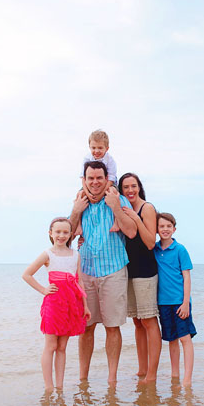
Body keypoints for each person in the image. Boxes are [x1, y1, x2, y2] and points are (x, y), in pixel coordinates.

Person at [69, 160, 138, 384]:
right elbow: (65, 238)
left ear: (106, 178)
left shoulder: (118, 198)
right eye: (91, 178)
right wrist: (75, 212)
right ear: (85, 179)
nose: (95, 182)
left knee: (112, 327)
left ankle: (112, 380)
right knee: (86, 327)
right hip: (86, 271)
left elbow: (131, 232)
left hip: (114, 270)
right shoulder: (79, 201)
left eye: (99, 178)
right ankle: (83, 379)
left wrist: (116, 207)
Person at [22, 217, 91, 390]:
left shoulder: (75, 255)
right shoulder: (48, 254)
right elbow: (27, 274)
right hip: (54, 302)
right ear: (50, 233)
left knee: (62, 346)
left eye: (65, 232)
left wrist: (86, 305)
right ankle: (49, 386)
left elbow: (80, 281)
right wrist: (43, 290)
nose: (61, 235)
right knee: (51, 345)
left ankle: (59, 386)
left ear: (70, 235)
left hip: (72, 302)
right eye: (58, 232)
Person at [118, 172, 162, 384]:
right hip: (129, 271)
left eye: (133, 186)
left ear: (139, 187)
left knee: (149, 321)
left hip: (146, 271)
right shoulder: (123, 209)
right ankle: (142, 369)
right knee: (137, 322)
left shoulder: (147, 208)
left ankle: (152, 374)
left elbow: (150, 242)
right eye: (125, 187)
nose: (130, 190)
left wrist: (136, 218)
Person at [154, 212, 196, 388]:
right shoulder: (154, 249)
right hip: (163, 303)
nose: (165, 229)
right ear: (157, 229)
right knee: (171, 340)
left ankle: (187, 379)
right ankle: (174, 375)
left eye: (168, 226)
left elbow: (186, 277)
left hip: (180, 302)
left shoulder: (180, 249)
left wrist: (185, 302)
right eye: (162, 226)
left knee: (185, 338)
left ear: (174, 229)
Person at [75, 130, 120, 234]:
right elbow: (83, 178)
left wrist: (101, 194)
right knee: (79, 194)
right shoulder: (87, 158)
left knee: (114, 193)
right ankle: (78, 225)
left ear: (106, 148)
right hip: (90, 184)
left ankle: (117, 221)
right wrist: (87, 192)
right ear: (89, 147)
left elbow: (111, 178)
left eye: (100, 148)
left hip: (109, 183)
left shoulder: (110, 160)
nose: (96, 151)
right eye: (93, 148)